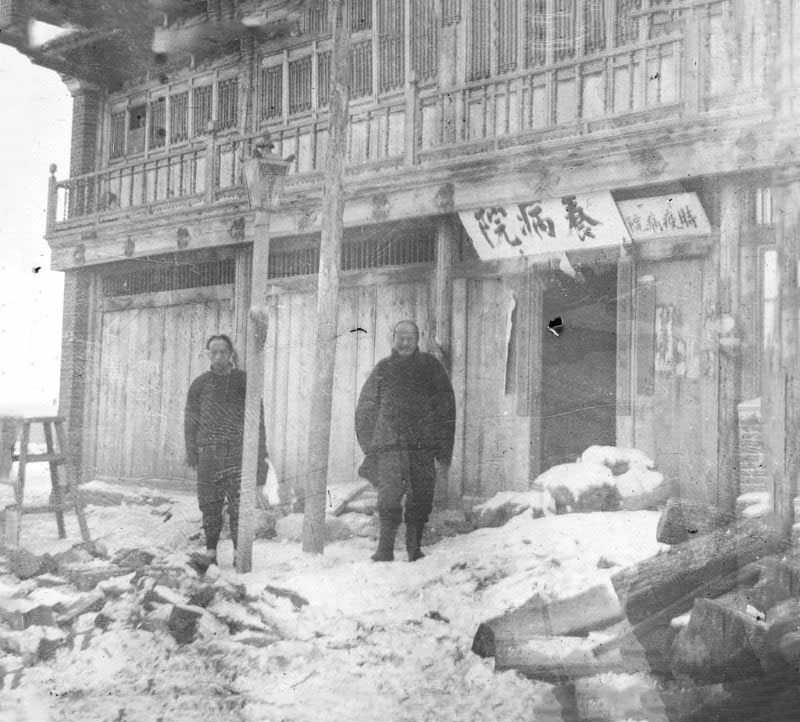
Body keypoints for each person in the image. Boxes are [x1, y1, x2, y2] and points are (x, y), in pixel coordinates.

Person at [355, 320, 456, 562]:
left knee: (421, 496)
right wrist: (371, 445)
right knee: (388, 498)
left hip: (422, 446)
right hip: (390, 447)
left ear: (417, 340)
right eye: (400, 337)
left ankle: (414, 548)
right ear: (393, 339)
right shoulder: (383, 369)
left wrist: (443, 452)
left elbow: (446, 409)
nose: (405, 342)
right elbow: (365, 408)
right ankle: (385, 549)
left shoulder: (431, 367)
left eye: (410, 338)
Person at [184, 334, 268, 565]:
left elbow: (257, 421)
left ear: (231, 354)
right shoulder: (200, 385)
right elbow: (190, 421)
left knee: (239, 505)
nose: (219, 356)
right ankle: (210, 552)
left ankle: (238, 553)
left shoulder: (244, 382)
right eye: (214, 352)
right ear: (208, 355)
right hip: (209, 453)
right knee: (210, 503)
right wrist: (192, 451)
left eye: (223, 352)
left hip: (238, 453)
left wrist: (260, 459)